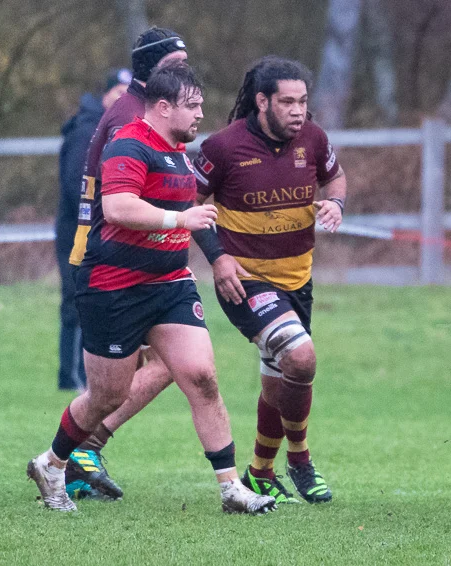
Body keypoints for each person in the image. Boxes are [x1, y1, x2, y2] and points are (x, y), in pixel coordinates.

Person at [25, 63, 275, 515]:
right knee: (108, 395)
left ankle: (231, 488)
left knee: (201, 376)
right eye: (193, 106)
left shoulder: (179, 151)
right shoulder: (129, 145)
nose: (202, 114)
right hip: (112, 287)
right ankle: (52, 462)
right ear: (163, 107)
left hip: (169, 283)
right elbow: (118, 206)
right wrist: (181, 220)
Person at [61, 27, 229, 501]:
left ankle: (81, 450)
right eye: (176, 63)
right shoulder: (133, 121)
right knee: (120, 383)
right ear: (152, 70)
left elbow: (178, 190)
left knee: (180, 366)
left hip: (152, 266)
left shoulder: (155, 115)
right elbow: (130, 203)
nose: (185, 73)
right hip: (115, 265)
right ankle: (76, 451)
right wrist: (213, 253)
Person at [194, 56, 346, 504]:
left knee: (279, 379)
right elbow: (191, 205)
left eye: (303, 101)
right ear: (262, 102)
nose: (299, 111)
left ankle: (260, 471)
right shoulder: (223, 147)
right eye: (288, 102)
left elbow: (335, 179)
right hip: (245, 281)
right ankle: (299, 458)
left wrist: (337, 204)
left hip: (298, 280)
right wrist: (218, 259)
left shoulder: (314, 139)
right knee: (300, 358)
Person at [57, 69, 131, 391]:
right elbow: (77, 184)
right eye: (118, 92)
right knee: (77, 301)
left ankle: (91, 377)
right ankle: (70, 377)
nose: (123, 99)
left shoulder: (116, 129)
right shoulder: (87, 130)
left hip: (100, 229)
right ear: (106, 94)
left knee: (101, 300)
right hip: (79, 229)